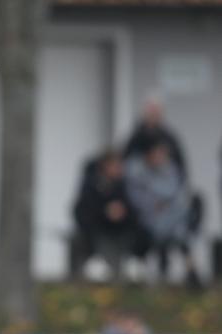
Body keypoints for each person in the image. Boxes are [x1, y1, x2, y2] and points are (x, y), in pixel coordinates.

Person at [125, 137, 200, 287]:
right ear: (148, 155)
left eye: (163, 154)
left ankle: (190, 273)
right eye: (157, 154)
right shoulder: (136, 173)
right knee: (154, 236)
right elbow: (138, 200)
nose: (161, 158)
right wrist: (157, 203)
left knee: (180, 235)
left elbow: (178, 196)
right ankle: (140, 277)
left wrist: (166, 204)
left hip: (172, 220)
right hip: (146, 222)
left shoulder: (170, 170)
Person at [73, 148, 149, 278]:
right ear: (105, 166)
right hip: (98, 233)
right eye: (116, 165)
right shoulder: (91, 185)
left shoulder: (123, 185)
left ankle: (134, 263)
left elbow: (134, 211)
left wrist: (122, 213)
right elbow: (82, 212)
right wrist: (105, 212)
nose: (120, 169)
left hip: (119, 231)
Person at [124, 96, 187, 179]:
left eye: (156, 111)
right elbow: (126, 162)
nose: (153, 114)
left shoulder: (169, 138)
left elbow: (180, 166)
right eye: (151, 110)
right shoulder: (135, 138)